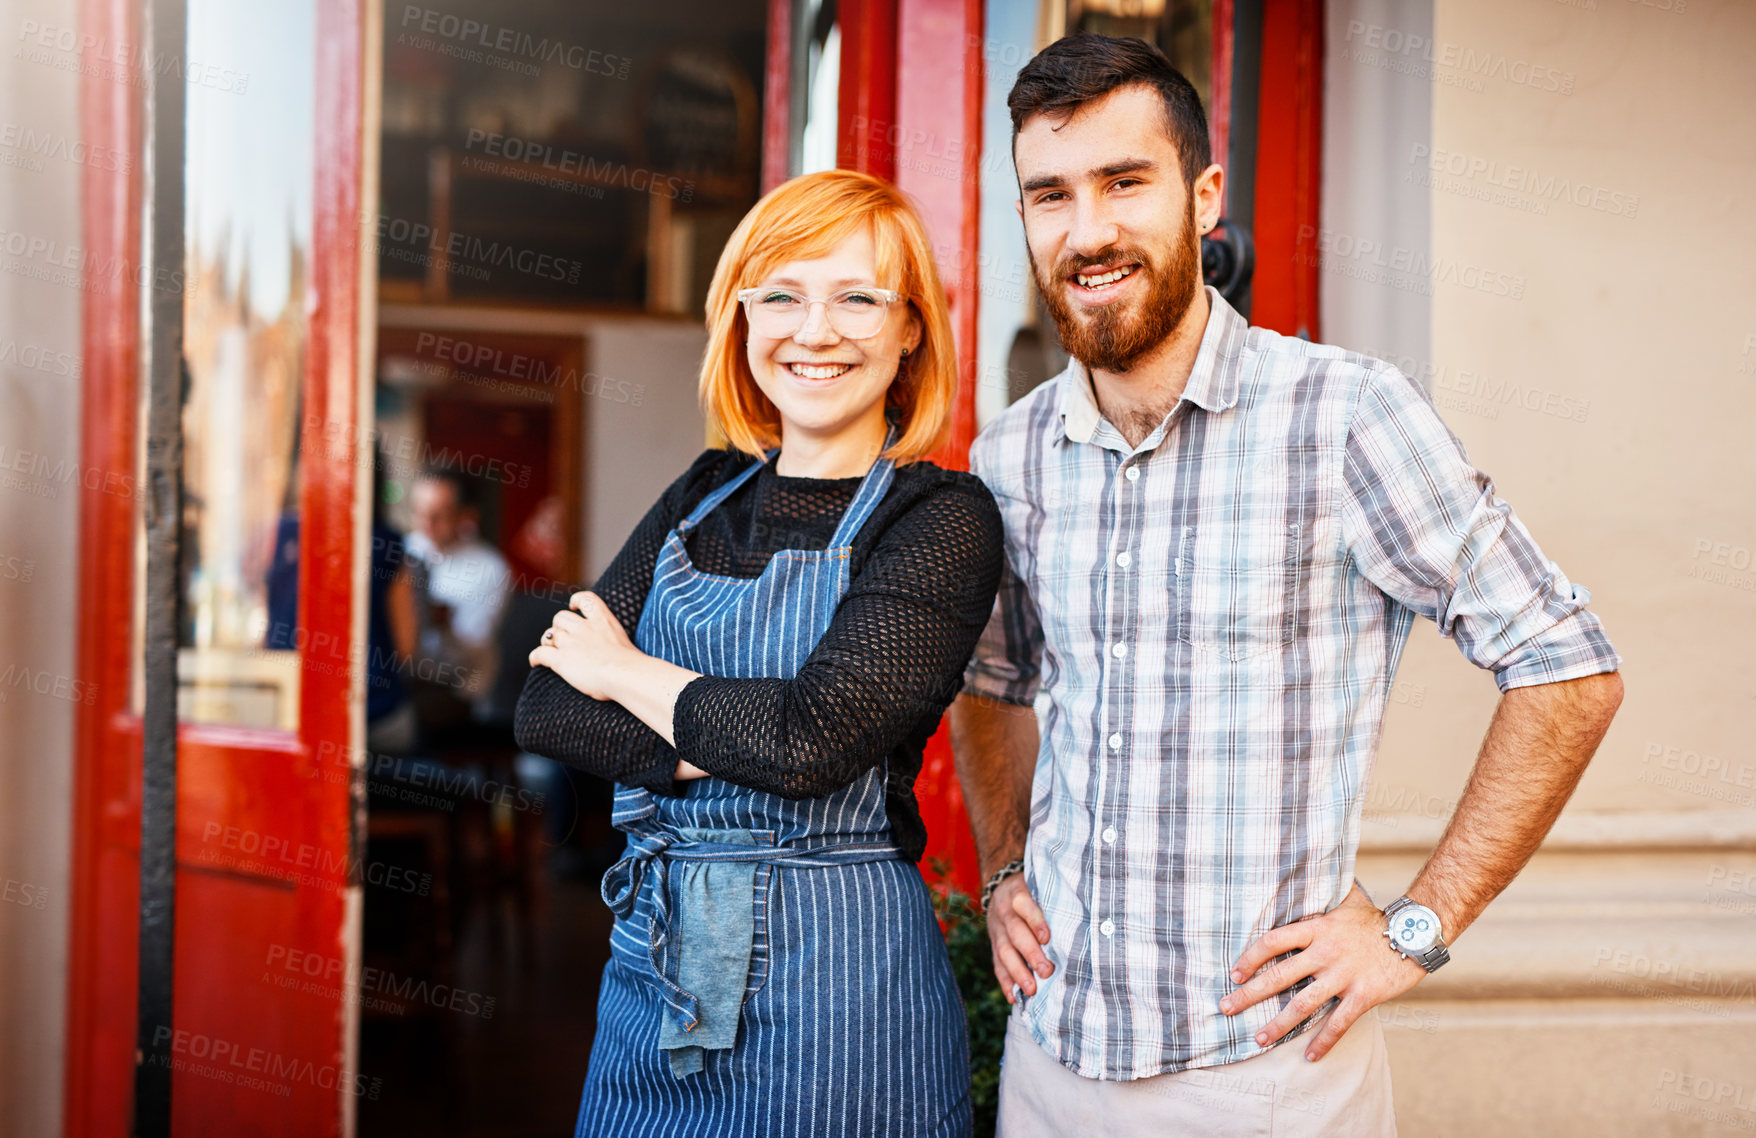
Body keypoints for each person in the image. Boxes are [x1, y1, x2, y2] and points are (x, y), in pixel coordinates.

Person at [949, 34, 1624, 1136]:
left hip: (1262, 1081)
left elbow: (1567, 665)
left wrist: (1412, 926)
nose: (1088, 231)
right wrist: (1001, 867)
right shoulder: (1009, 456)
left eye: (1125, 182)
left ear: (1204, 196)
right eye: (1050, 195)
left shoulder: (1345, 416)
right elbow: (992, 675)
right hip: (1050, 1065)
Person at [513, 169, 1002, 1138]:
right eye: (780, 294)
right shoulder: (705, 490)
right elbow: (547, 711)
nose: (813, 330)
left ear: (910, 327)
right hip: (653, 961)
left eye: (857, 297)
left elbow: (809, 745)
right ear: (740, 317)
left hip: (840, 987)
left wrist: (623, 675)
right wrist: (749, 731)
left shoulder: (941, 516)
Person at [404, 468, 510, 718]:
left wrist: (441, 624)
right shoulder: (404, 550)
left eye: (439, 515)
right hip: (405, 680)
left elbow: (473, 647)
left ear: (466, 516)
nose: (426, 524)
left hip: (457, 691)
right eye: (420, 513)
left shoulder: (489, 568)